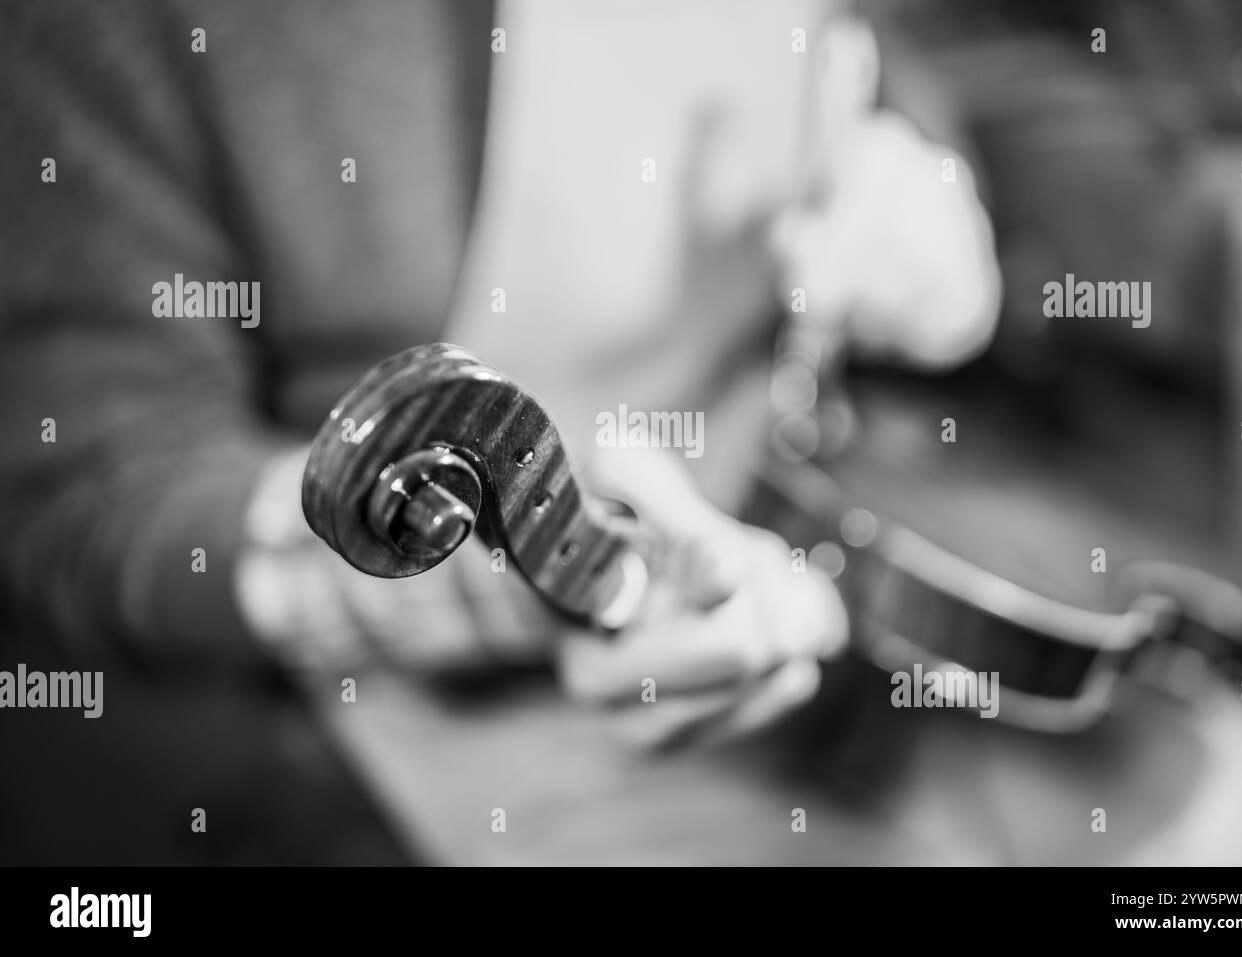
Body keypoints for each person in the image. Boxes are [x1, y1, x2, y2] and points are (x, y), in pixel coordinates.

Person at [0, 0, 999, 857]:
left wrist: (930, 187)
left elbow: (869, 62)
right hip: (451, 688)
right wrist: (412, 599)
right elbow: (94, 484)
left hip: (810, 533)